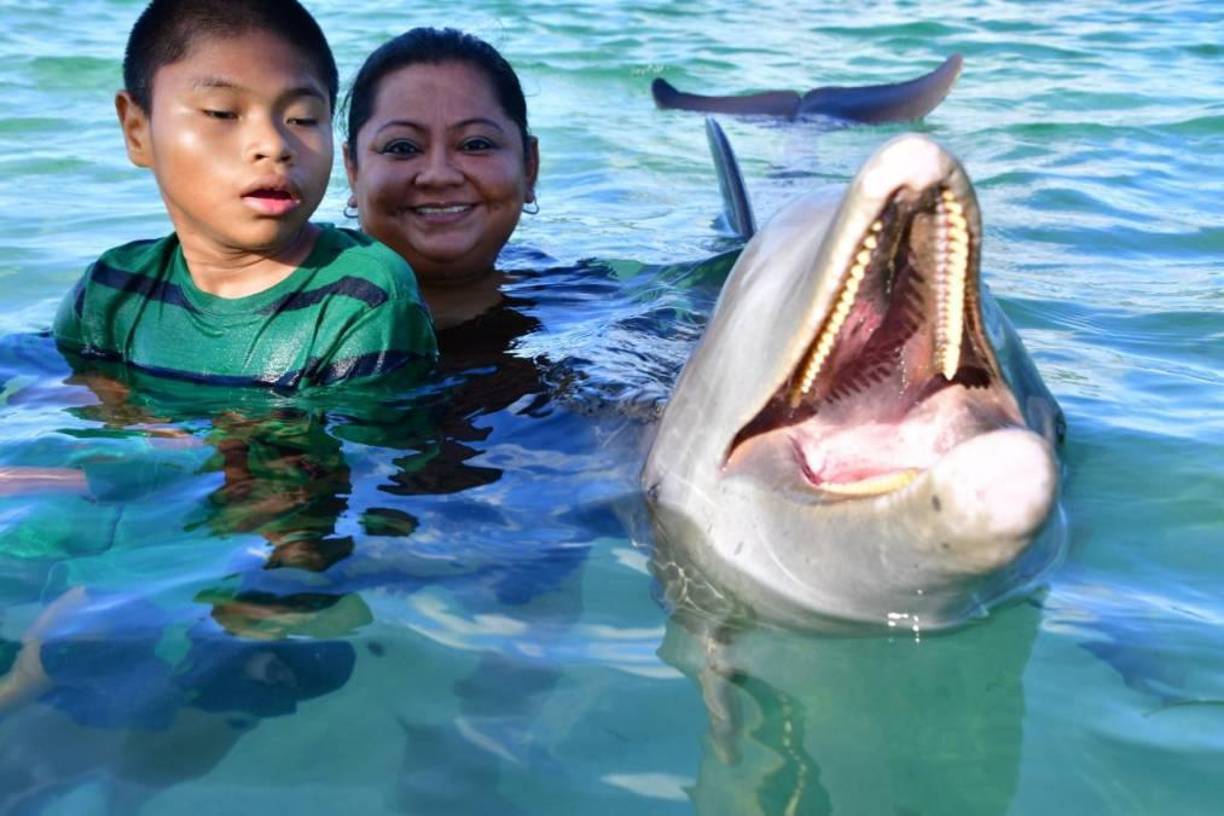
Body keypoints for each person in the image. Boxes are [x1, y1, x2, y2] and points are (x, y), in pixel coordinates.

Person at [53, 0, 436, 391]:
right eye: (222, 113)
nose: (273, 145)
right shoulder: (111, 289)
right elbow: (53, 395)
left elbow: (357, 433)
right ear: (137, 130)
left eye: (302, 118)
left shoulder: (363, 297)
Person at [343, 27, 539, 330]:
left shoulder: (588, 303)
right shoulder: (293, 307)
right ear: (352, 170)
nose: (439, 176)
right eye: (402, 147)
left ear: (529, 167)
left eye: (476, 144)